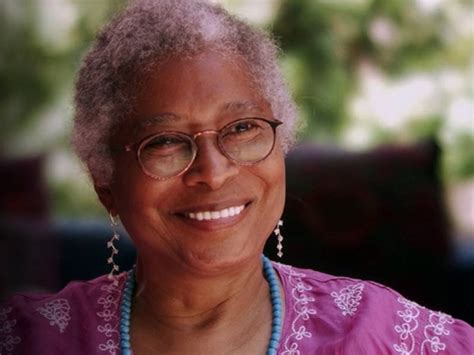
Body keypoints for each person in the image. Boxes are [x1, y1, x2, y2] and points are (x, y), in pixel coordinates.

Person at [1, 0, 473, 354]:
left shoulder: (384, 338)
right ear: (106, 182)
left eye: (242, 128)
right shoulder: (28, 339)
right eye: (164, 141)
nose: (213, 170)